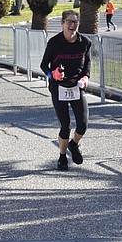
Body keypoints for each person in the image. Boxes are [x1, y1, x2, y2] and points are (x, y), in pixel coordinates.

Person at [39, 10, 91, 171]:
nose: (72, 25)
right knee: (65, 125)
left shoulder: (85, 42)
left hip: (76, 86)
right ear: (62, 23)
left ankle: (73, 145)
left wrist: (85, 78)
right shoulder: (55, 42)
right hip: (58, 87)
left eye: (75, 22)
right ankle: (62, 157)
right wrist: (52, 74)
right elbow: (43, 65)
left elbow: (87, 67)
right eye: (68, 22)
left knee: (83, 125)